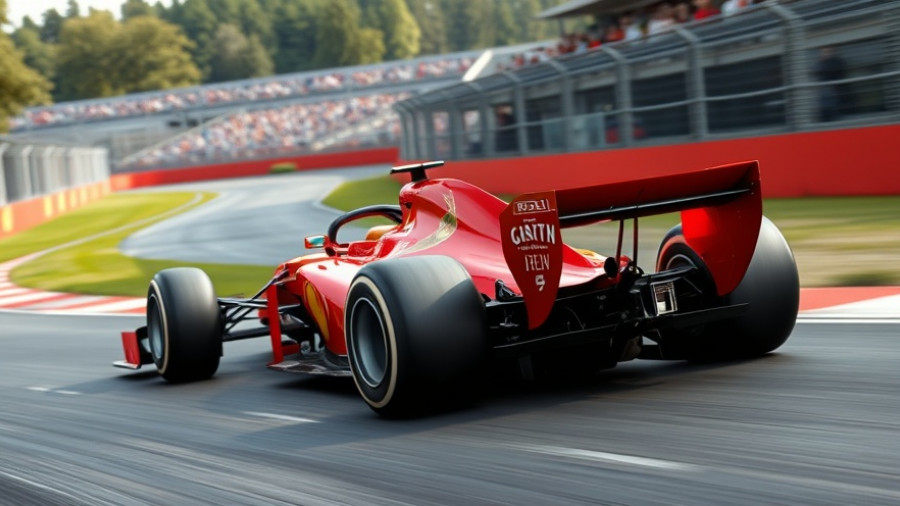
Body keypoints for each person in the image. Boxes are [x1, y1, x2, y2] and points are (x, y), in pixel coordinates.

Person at [814, 46, 848, 122]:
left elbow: (836, 72)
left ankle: (832, 119)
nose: (824, 54)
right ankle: (825, 119)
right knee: (825, 105)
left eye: (827, 52)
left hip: (833, 88)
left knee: (831, 105)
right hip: (825, 88)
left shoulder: (836, 61)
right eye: (823, 52)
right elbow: (817, 73)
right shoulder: (821, 62)